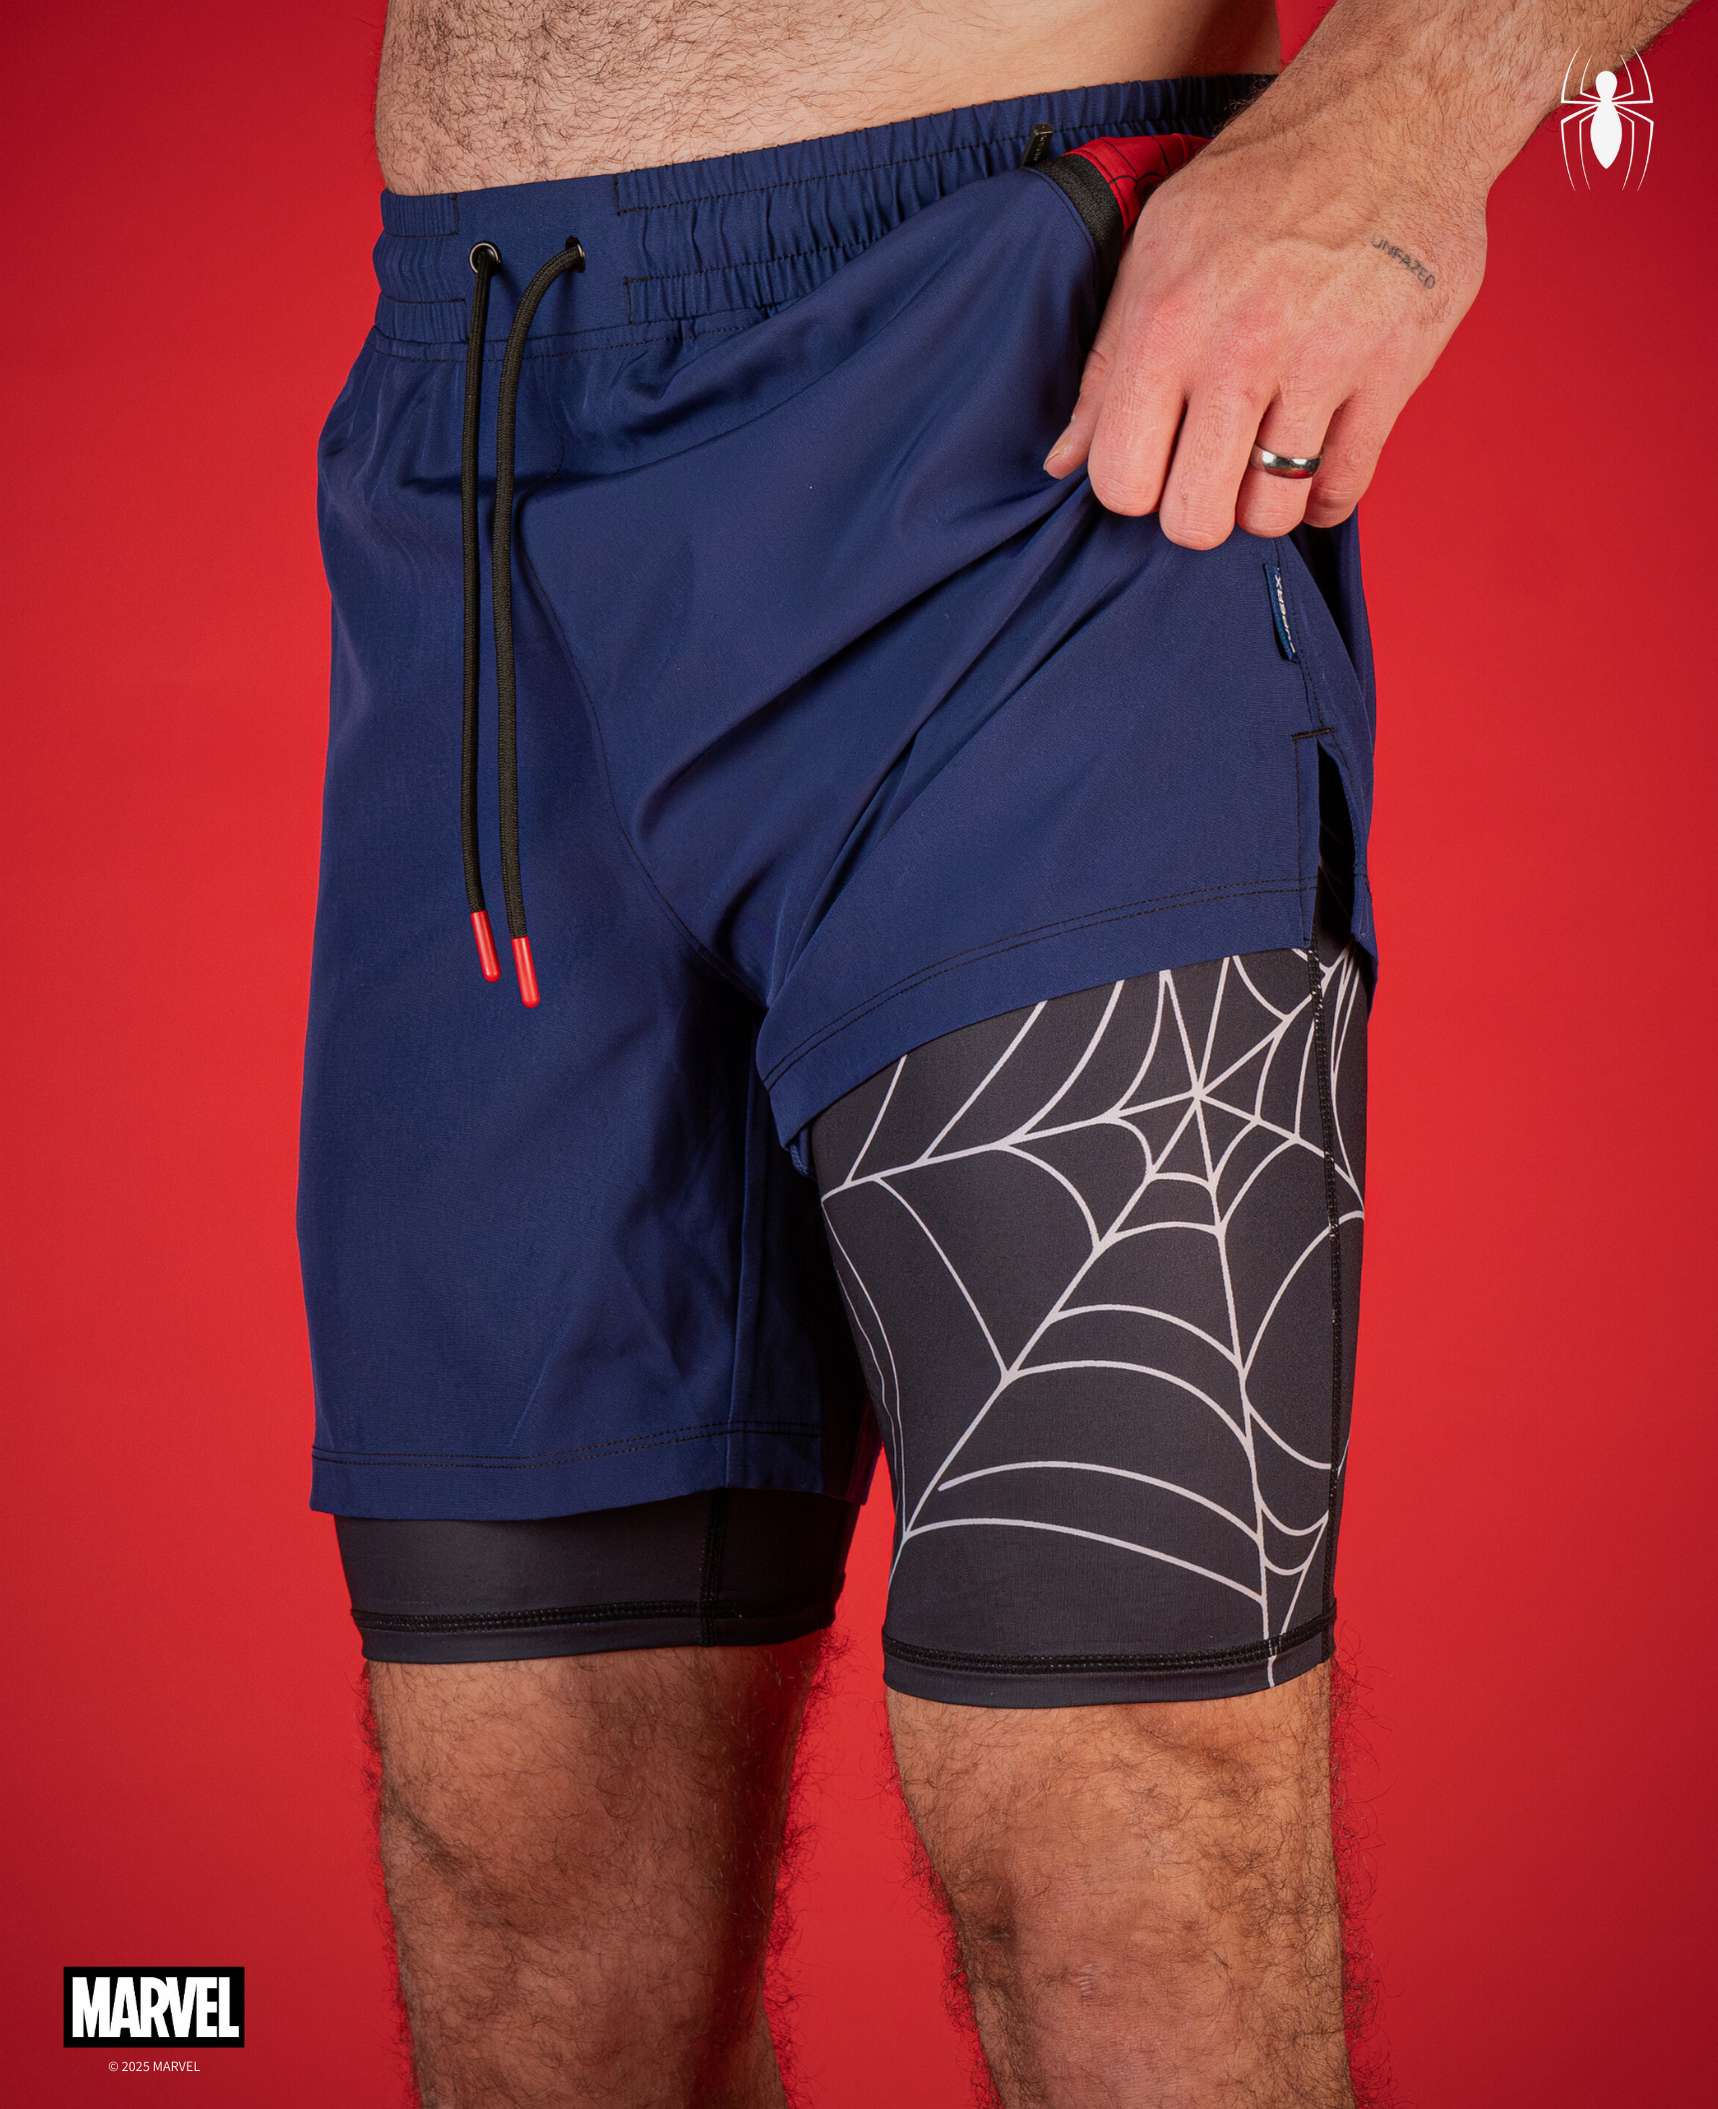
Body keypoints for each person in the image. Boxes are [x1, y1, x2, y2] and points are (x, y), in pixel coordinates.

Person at [299, 1, 1685, 2101]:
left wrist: (1408, 111)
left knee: (1123, 1827)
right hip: (470, 441)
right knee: (521, 1879)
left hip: (1014, 395)